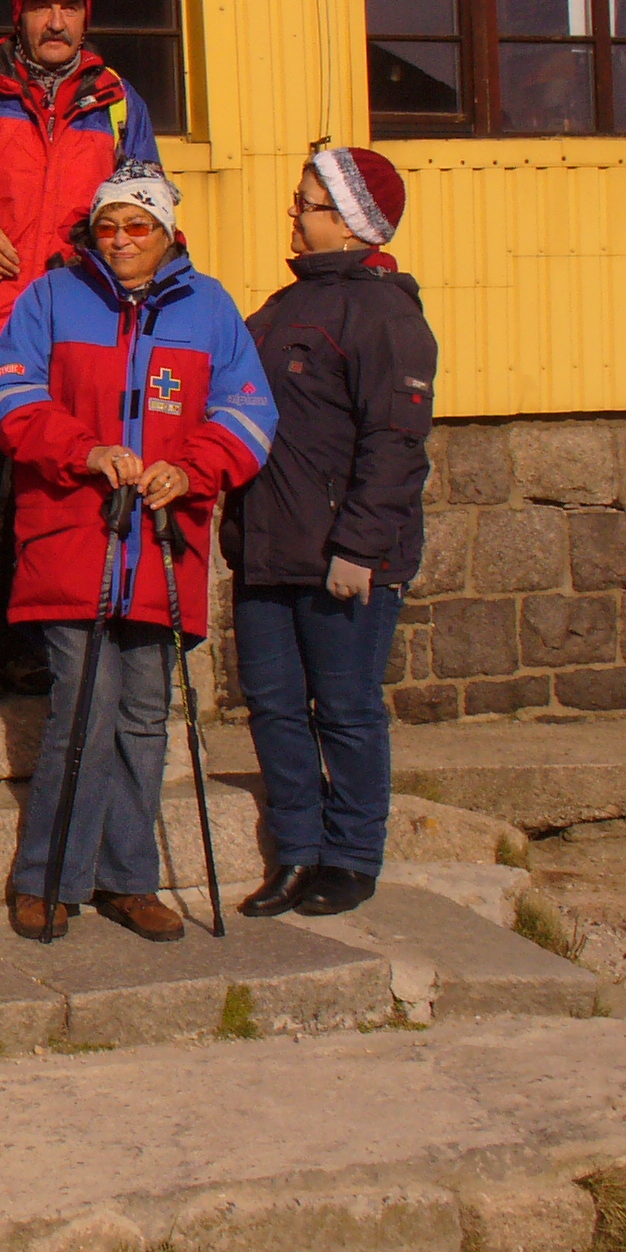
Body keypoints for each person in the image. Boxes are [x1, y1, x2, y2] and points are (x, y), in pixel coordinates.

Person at [0, 162, 275, 941]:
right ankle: (48, 878)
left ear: (167, 232)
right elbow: (3, 394)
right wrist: (83, 449)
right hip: (74, 535)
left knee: (144, 714)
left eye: (137, 226)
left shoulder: (211, 308)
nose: (120, 241)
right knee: (83, 705)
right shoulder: (51, 296)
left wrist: (194, 468)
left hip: (163, 544)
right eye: (107, 227)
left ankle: (128, 878)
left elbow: (248, 412)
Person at [0, 0, 160, 701]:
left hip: (74, 323)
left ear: (87, 15)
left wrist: (96, 250)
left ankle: (32, 641)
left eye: (69, 6)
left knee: (46, 486)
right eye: (41, 6)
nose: (55, 21)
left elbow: (148, 204)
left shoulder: (118, 100)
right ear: (18, 13)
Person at [225, 146, 436, 920]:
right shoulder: (280, 309)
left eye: (308, 202)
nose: (294, 210)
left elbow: (396, 442)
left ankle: (350, 856)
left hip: (343, 559)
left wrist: (360, 548)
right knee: (274, 706)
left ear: (350, 222)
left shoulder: (385, 317)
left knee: (345, 708)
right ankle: (296, 851)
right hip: (269, 550)